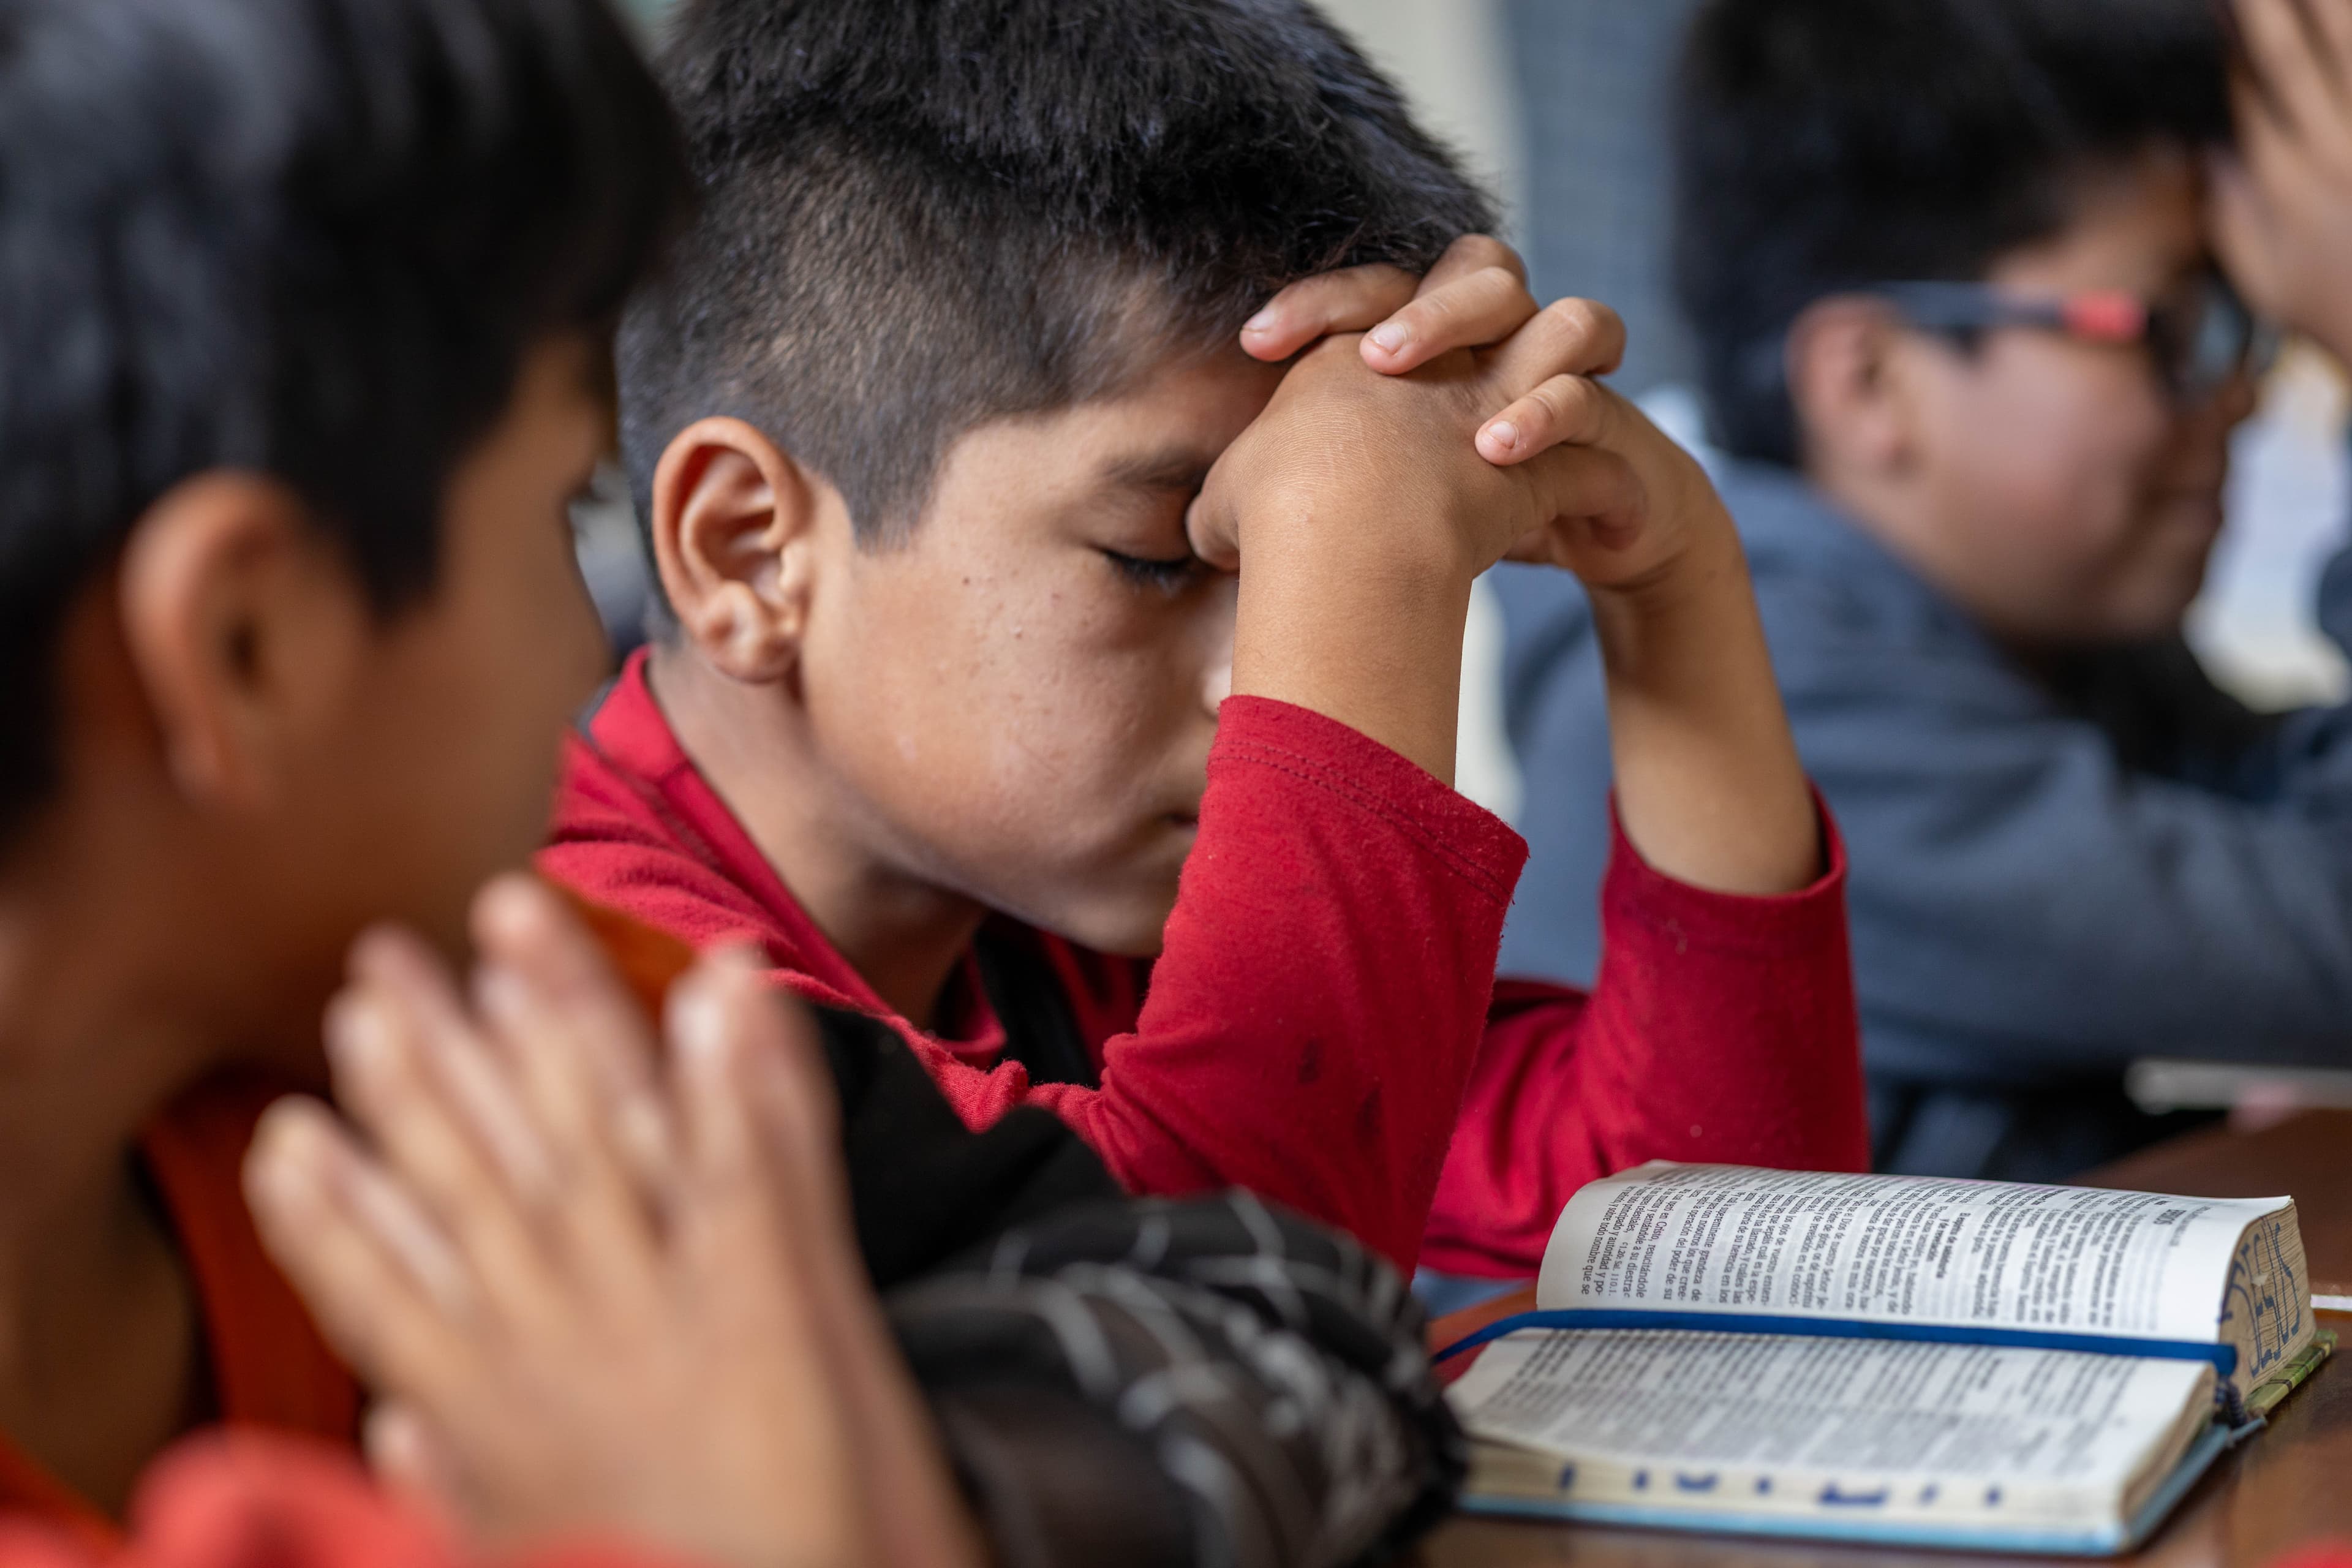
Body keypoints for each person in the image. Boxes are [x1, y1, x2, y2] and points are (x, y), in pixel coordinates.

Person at [0, 0, 1464, 1559]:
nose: (586, 643)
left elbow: (1300, 1314)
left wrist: (906, 1497)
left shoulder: (523, 1065)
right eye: (558, 512)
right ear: (246, 647)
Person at [541, 0, 1871, 1287]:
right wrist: (1362, 561)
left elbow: (1713, 1232)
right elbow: (1223, 1304)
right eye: (1161, 557)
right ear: (751, 551)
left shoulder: (1061, 920)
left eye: (1294, 569)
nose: (1267, 684)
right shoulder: (590, 988)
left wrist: (1675, 577)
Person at [1490, 0, 2352, 1183]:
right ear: (1870, 383)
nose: (2241, 394)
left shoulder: (2027, 633)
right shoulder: (1768, 689)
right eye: (2175, 325)